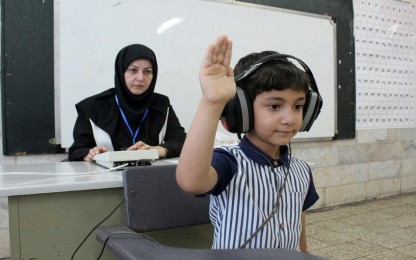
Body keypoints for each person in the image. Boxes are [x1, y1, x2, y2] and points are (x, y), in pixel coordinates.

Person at [176, 35, 320, 252]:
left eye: (298, 106)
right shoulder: (228, 162)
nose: (290, 118)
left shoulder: (301, 170)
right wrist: (212, 102)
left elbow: (299, 225)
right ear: (241, 110)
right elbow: (191, 181)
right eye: (274, 106)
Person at [68, 44, 186, 161]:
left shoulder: (161, 104)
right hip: (105, 176)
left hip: (149, 176)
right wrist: (89, 154)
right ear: (121, 72)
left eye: (147, 72)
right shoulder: (93, 107)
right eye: (133, 70)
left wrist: (155, 150)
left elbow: (181, 142)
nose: (140, 78)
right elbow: (76, 150)